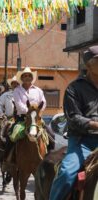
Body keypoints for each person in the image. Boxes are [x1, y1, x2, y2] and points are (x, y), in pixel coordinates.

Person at [49, 46, 98, 200]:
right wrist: (95, 124)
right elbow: (73, 118)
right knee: (67, 173)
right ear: (88, 65)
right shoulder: (74, 88)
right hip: (82, 142)